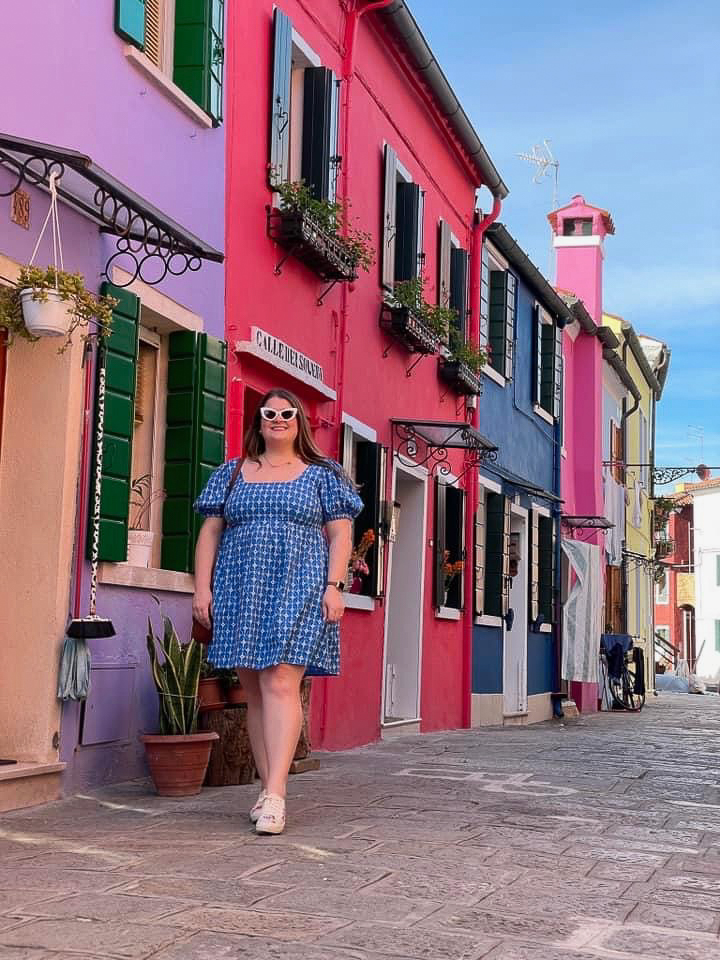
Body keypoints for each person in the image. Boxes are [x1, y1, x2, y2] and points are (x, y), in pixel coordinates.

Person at [192, 388, 363, 834]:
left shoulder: (323, 476)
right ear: (259, 420)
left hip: (300, 586)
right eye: (270, 413)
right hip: (239, 588)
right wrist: (201, 589)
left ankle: (277, 797)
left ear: (299, 421)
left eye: (288, 413)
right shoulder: (231, 474)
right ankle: (267, 788)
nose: (279, 419)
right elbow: (210, 532)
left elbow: (341, 536)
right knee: (253, 688)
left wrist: (335, 586)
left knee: (281, 680)